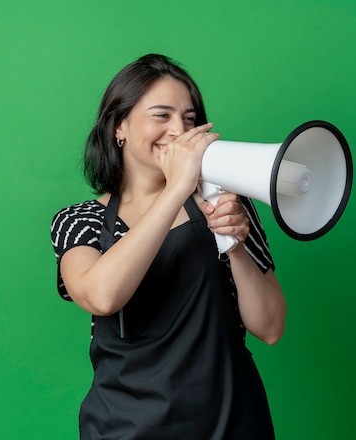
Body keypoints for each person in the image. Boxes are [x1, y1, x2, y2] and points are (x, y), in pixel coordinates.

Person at [50, 53, 286, 439]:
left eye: (190, 119)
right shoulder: (80, 221)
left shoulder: (226, 205)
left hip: (233, 424)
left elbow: (271, 326)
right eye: (162, 115)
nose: (179, 130)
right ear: (119, 127)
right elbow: (102, 295)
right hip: (127, 428)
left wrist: (236, 244)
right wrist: (177, 188)